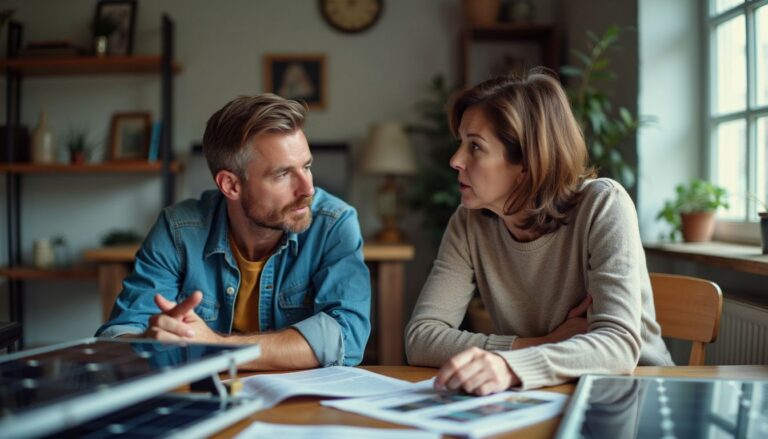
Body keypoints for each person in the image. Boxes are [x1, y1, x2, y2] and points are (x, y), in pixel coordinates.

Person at [405, 70, 673, 394]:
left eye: (475, 147)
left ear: (527, 164)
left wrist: (510, 365)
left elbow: (618, 347)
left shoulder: (603, 205)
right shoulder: (468, 222)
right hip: (538, 393)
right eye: (460, 142)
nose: (455, 160)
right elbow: (421, 338)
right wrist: (535, 346)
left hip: (634, 393)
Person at [96, 94, 371, 370]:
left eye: (306, 167)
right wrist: (147, 339)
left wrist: (217, 345)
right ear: (230, 185)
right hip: (207, 399)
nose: (307, 189)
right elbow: (117, 335)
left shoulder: (333, 223)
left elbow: (346, 337)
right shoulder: (178, 230)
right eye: (283, 174)